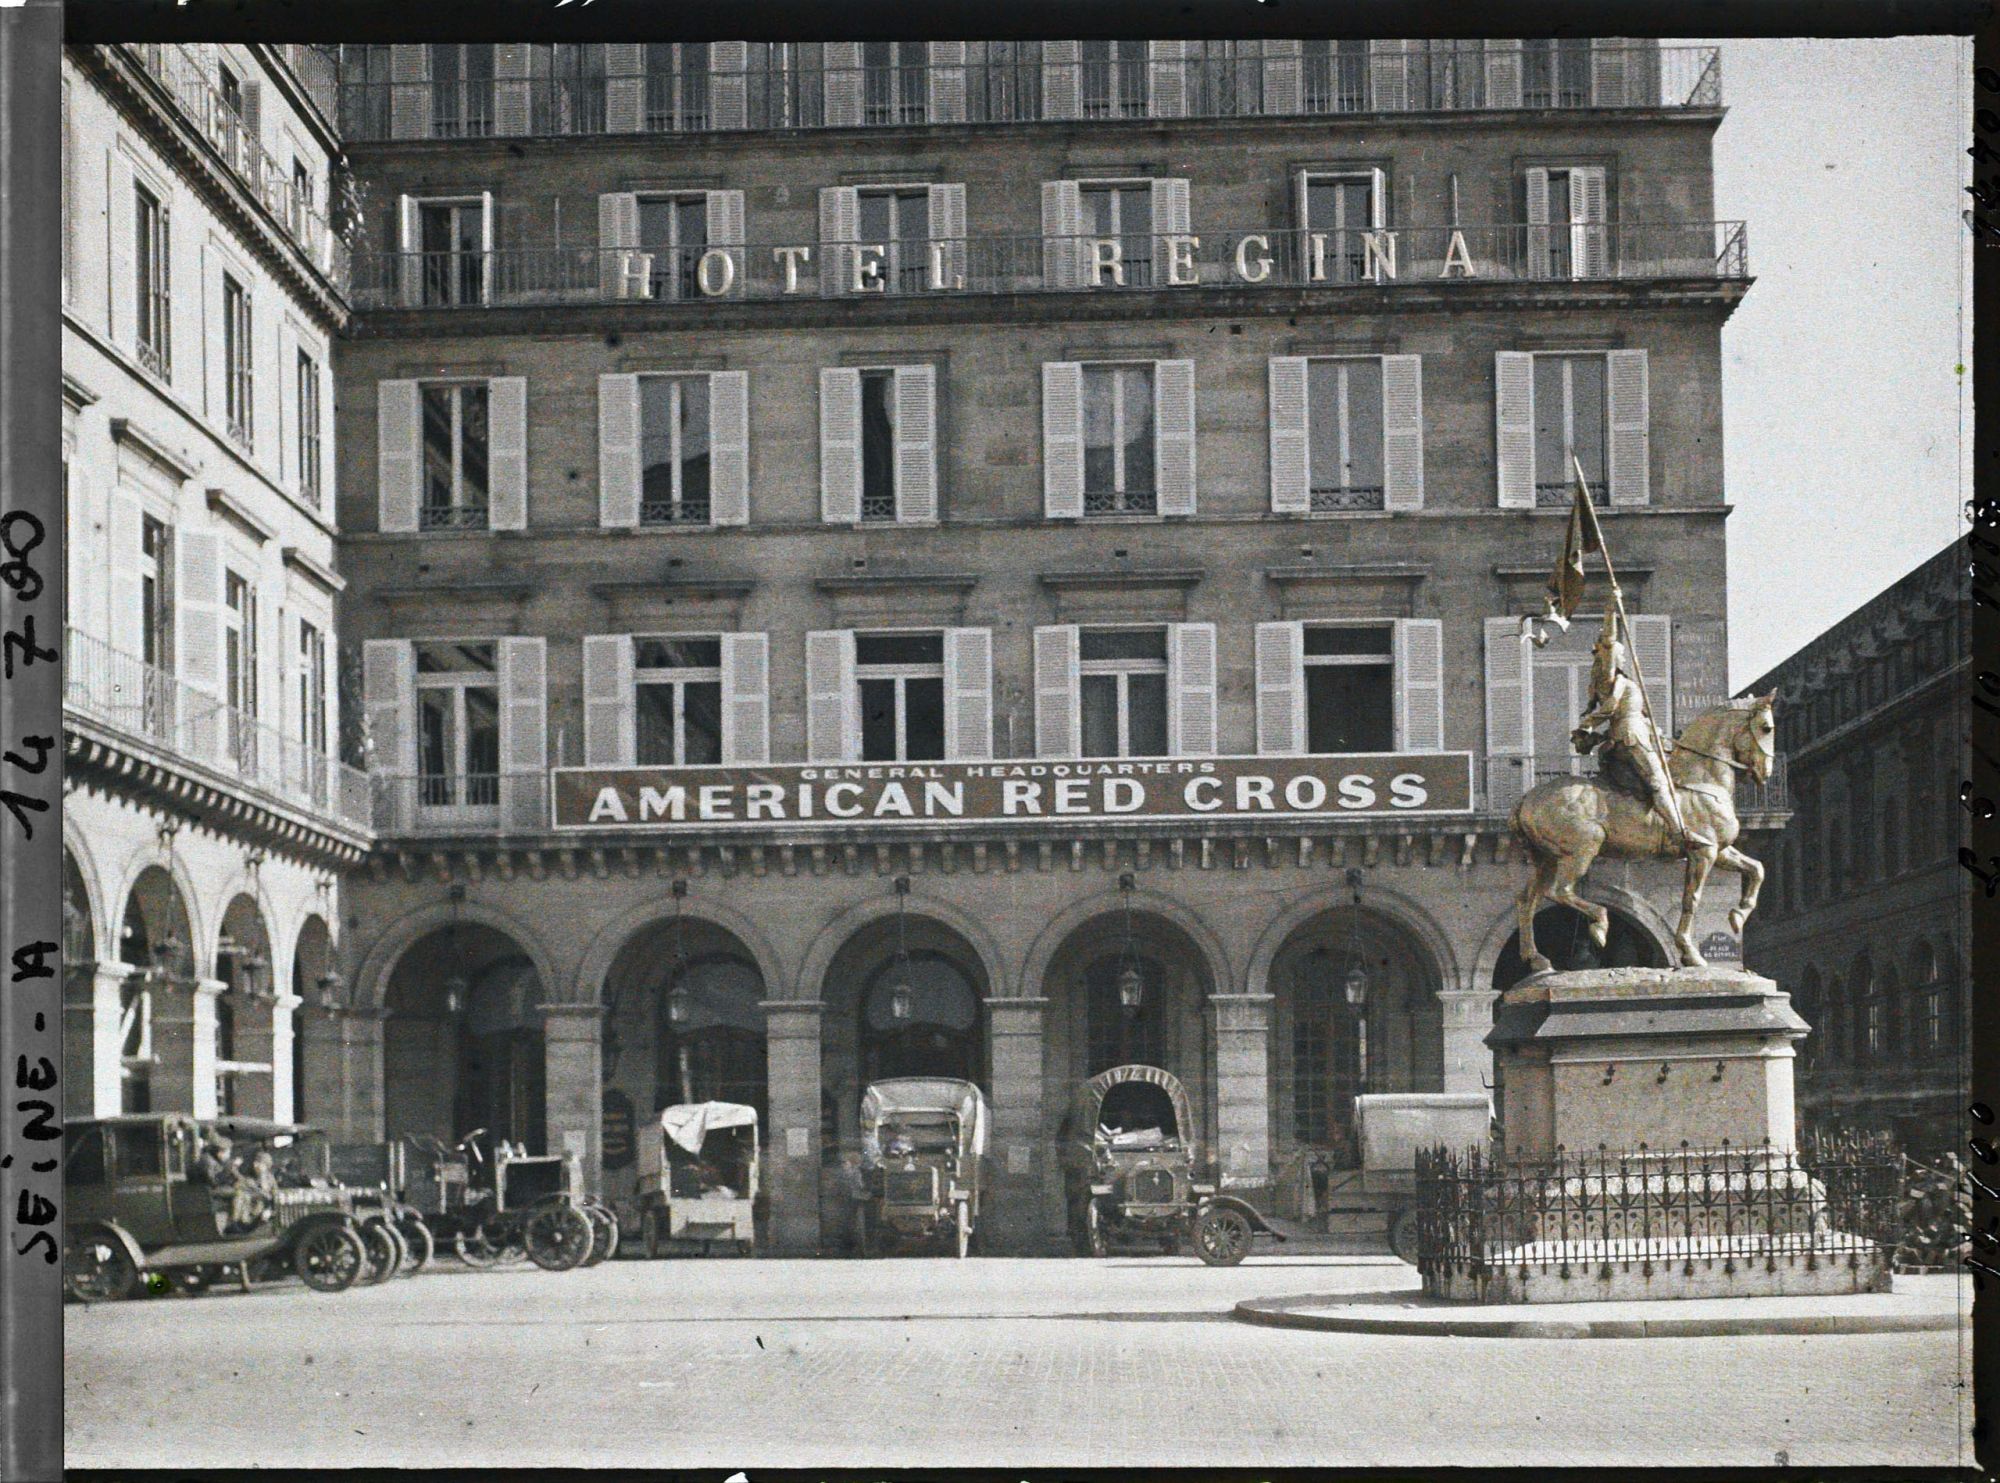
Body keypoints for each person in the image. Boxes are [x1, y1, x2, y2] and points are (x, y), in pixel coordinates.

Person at [1570, 613, 1713, 853]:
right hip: (1631, 738)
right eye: (1622, 655)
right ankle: (1680, 832)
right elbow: (1611, 702)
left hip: (1629, 738)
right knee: (1659, 783)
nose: (1625, 658)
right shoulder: (1614, 681)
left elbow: (1640, 717)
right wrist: (1610, 608)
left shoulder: (1616, 683)